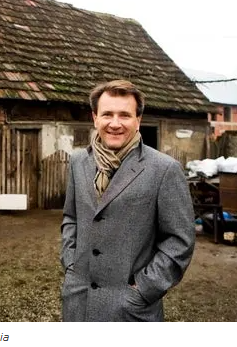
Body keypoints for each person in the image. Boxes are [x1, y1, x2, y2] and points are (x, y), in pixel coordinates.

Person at [60, 79, 195, 322]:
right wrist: (70, 263)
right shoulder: (79, 161)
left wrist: (144, 289)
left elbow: (179, 240)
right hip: (78, 300)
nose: (115, 123)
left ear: (138, 120)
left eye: (124, 115)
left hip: (129, 310)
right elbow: (71, 216)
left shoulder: (164, 169)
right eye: (107, 114)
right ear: (95, 118)